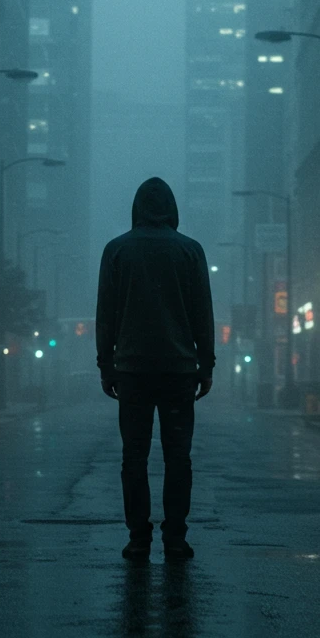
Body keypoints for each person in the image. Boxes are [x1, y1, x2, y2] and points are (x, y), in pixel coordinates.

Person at [96, 176, 215, 560]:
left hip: (132, 370)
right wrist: (205, 363)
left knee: (134, 457)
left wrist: (106, 364)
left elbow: (105, 315)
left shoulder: (116, 250)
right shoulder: (190, 251)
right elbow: (203, 314)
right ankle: (176, 538)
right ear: (172, 208)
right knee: (178, 457)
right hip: (179, 370)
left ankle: (138, 537)